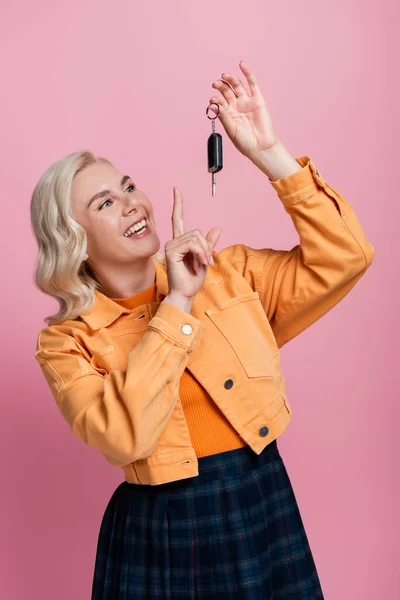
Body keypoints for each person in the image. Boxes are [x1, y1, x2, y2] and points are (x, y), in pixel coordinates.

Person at [31, 61, 374, 599]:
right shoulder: (67, 342)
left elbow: (347, 257)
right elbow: (125, 437)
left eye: (127, 187)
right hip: (163, 525)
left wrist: (269, 154)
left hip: (261, 496)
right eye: (105, 204)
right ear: (74, 242)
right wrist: (179, 303)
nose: (132, 203)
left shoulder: (228, 273)